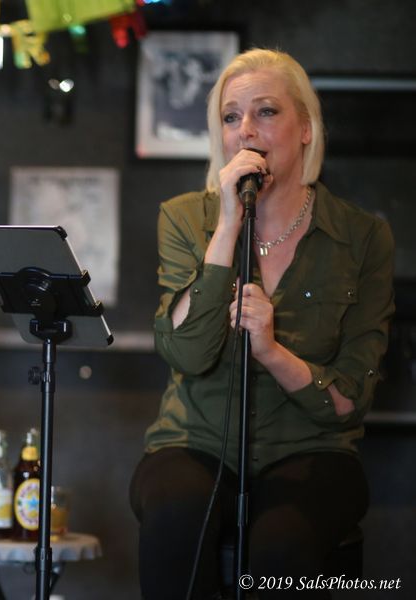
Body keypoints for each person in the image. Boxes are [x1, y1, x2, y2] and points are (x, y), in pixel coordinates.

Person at [129, 48, 394, 599]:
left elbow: (350, 400)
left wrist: (272, 350)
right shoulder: (185, 218)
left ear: (306, 128)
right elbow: (188, 354)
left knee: (281, 545)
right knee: (176, 517)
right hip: (196, 441)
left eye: (266, 111)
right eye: (231, 117)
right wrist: (228, 225)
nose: (246, 130)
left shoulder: (362, 237)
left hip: (311, 449)